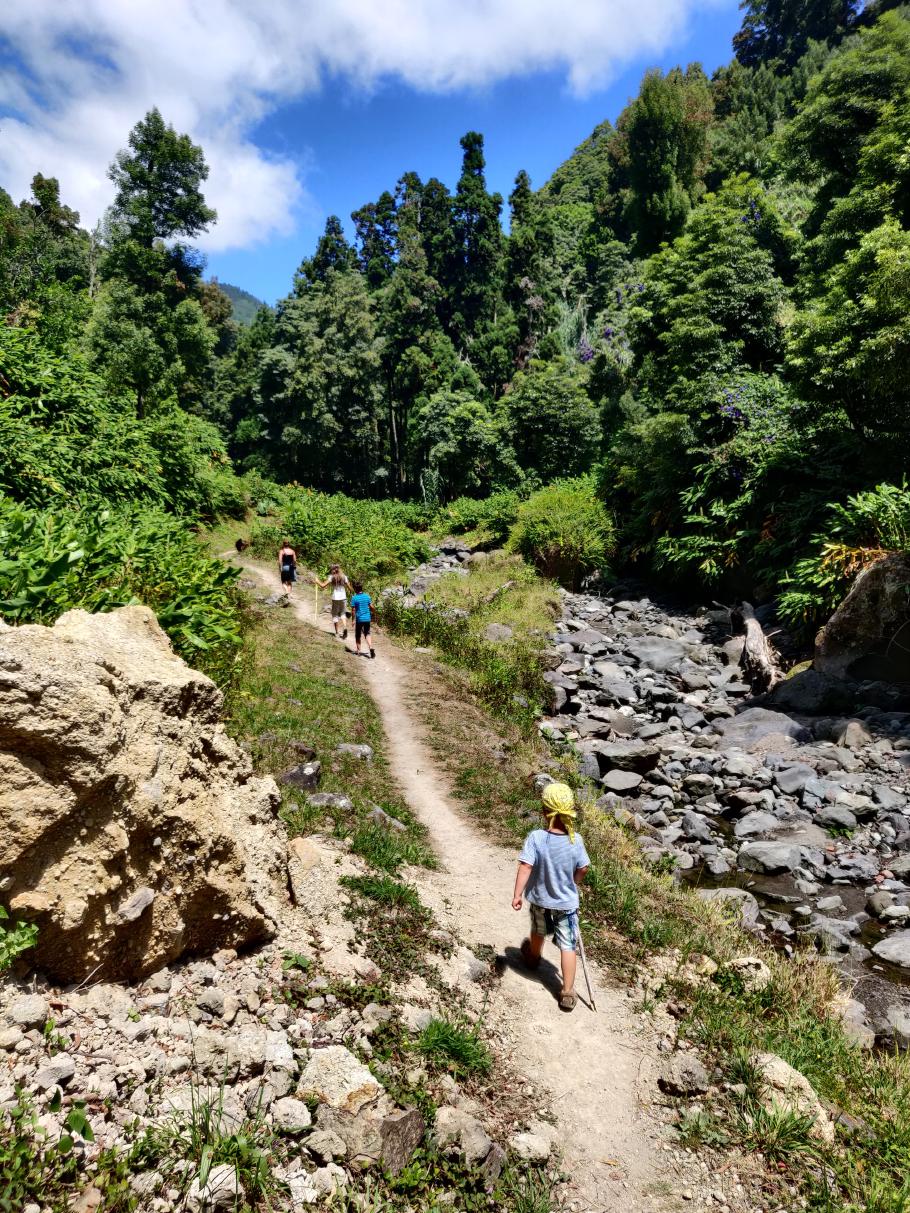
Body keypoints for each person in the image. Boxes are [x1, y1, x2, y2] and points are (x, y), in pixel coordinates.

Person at [511, 782, 590, 1012]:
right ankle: (567, 991)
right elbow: (583, 868)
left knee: (538, 931)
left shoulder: (537, 838)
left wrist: (517, 894)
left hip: (540, 900)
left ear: (545, 812)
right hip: (566, 904)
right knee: (568, 945)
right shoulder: (576, 840)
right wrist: (574, 881)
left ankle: (533, 957)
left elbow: (525, 866)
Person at [317, 564, 352, 638]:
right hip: (343, 597)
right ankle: (345, 627)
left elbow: (323, 585)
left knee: (335, 614)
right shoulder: (344, 577)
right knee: (343, 613)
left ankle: (337, 633)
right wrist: (351, 591)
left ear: (333, 570)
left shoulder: (331, 577)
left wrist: (317, 581)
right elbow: (350, 588)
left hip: (335, 597)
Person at [349, 581, 375, 658]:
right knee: (367, 633)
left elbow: (353, 610)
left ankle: (359, 651)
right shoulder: (367, 596)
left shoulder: (354, 598)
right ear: (361, 588)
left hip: (359, 619)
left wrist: (353, 620)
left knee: (358, 635)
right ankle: (370, 647)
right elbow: (372, 607)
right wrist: (373, 612)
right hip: (367, 618)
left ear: (355, 589)